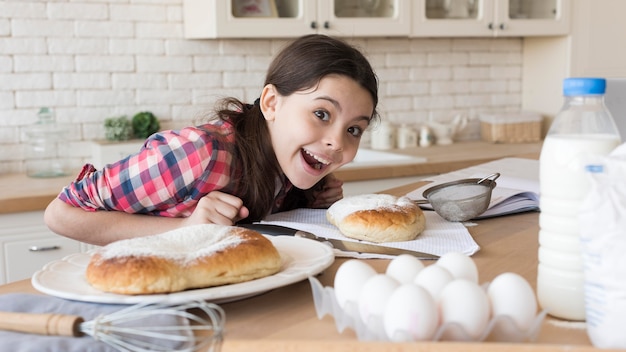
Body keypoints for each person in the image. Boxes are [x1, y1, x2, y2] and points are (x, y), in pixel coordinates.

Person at [44, 34, 380, 246]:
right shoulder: (198, 154)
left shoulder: (291, 169)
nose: (337, 142)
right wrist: (187, 227)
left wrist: (311, 200)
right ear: (271, 104)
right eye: (321, 114)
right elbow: (60, 214)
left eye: (354, 129)